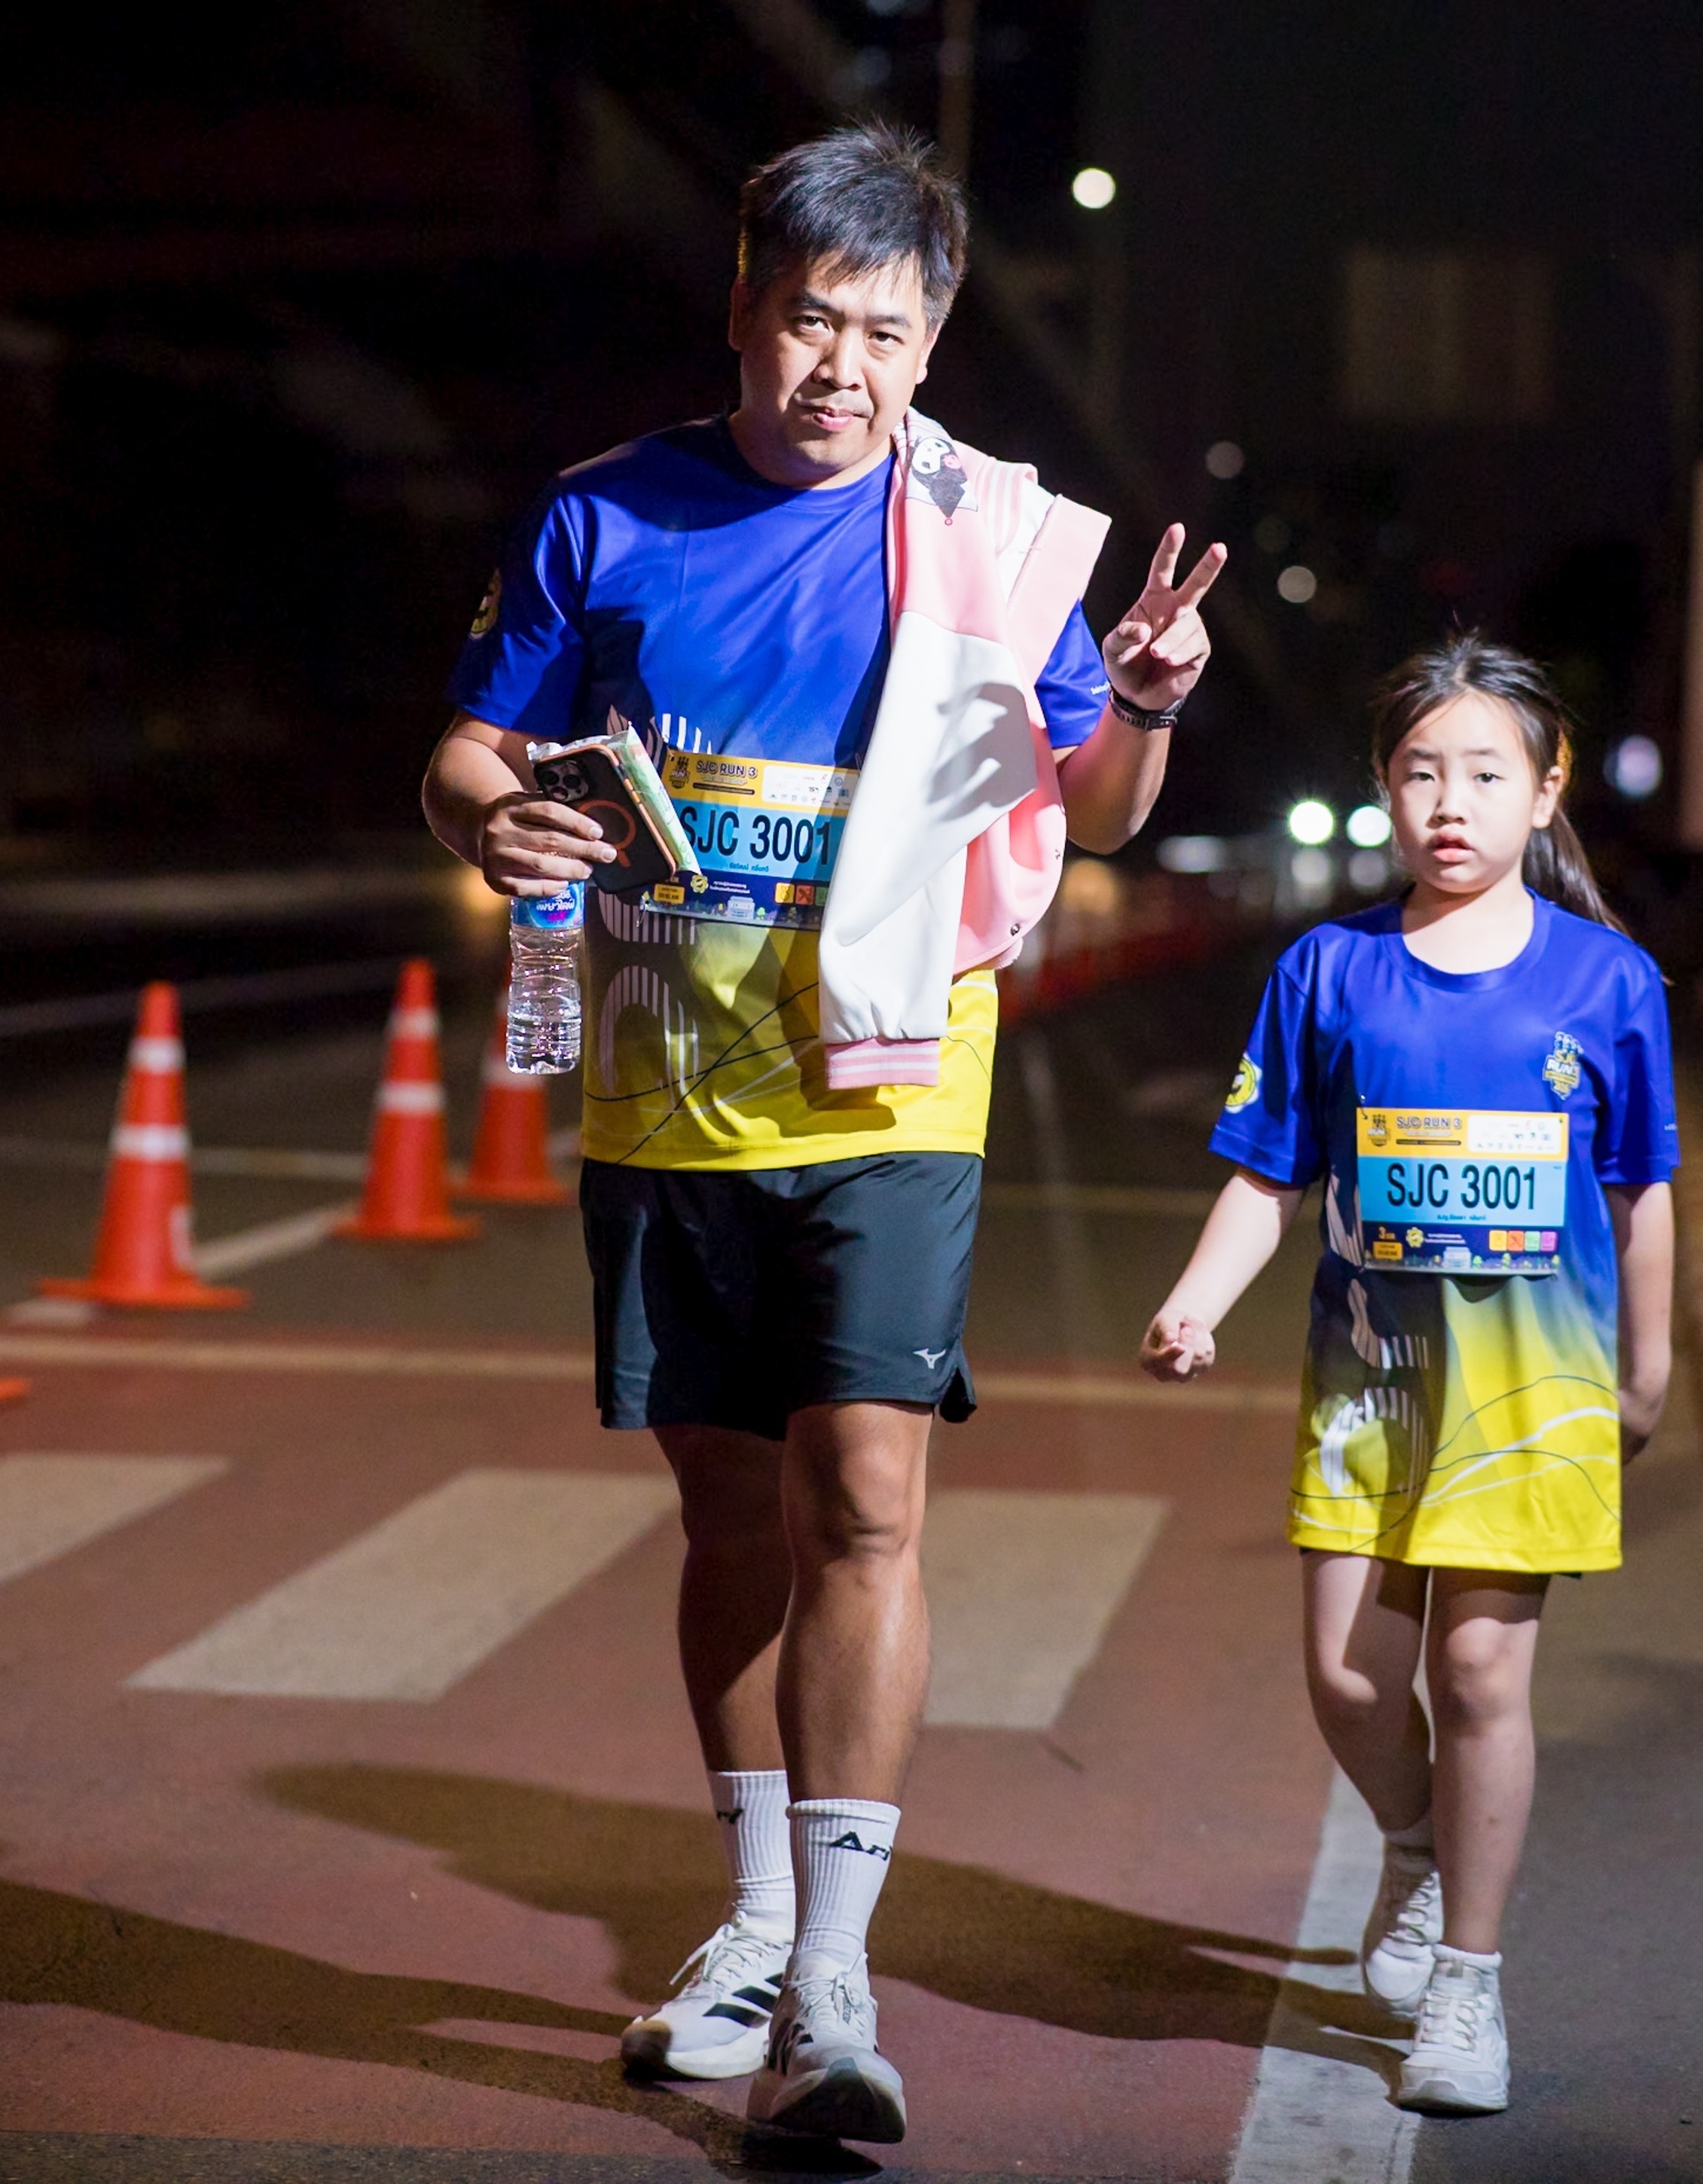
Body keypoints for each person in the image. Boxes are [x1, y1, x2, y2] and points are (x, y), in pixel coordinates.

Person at [422, 121, 1224, 2146]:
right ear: (742, 308)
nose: (839, 365)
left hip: (896, 1079)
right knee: (730, 1518)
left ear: (932, 339)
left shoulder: (995, 538)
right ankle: (760, 1915)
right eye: (807, 319)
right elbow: (467, 748)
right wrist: (491, 820)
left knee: (863, 1494)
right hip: (666, 1087)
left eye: (880, 330)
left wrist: (1139, 702)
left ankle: (840, 1979)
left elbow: (1097, 813)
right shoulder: (606, 514)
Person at [1139, 636, 1676, 2117]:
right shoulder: (1328, 970)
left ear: (1545, 789)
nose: (1450, 801)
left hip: (1535, 1383)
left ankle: (1468, 1980)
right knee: (1348, 1673)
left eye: (1486, 773)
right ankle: (1418, 1846)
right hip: (1368, 1383)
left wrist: (1647, 1369)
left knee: (1479, 1670)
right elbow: (1267, 1174)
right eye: (1421, 771)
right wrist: (1193, 1301)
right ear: (1382, 787)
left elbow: (1641, 1192)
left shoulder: (1608, 981)